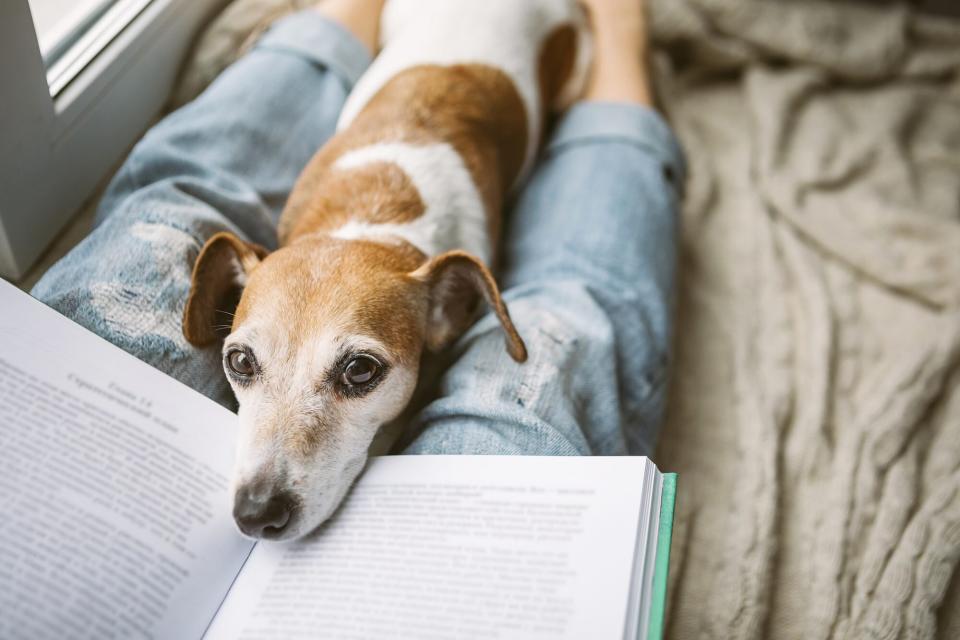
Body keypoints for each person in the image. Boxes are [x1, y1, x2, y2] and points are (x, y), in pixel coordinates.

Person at [32, 0, 684, 458]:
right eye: (243, 362)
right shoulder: (284, 238)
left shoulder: (453, 271)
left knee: (180, 188)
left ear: (453, 305)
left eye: (358, 374)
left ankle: (609, 39)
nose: (269, 459)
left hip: (545, 22)